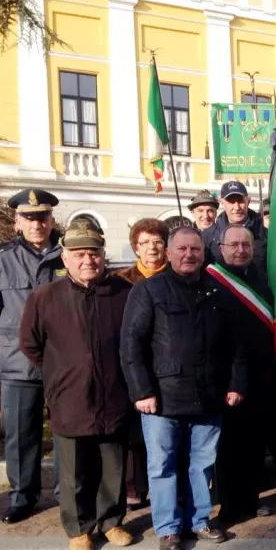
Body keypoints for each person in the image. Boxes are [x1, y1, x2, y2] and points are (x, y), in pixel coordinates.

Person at [121, 226, 247, 550]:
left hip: (209, 396)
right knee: (162, 465)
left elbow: (236, 346)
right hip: (162, 398)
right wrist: (141, 391)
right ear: (169, 252)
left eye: (194, 249)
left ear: (204, 253)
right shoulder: (148, 291)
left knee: (202, 463)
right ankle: (168, 528)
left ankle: (199, 520)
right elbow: (131, 345)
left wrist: (236, 384)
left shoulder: (219, 293)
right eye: (182, 249)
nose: (188, 254)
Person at [19, 221, 133, 550]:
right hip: (70, 396)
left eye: (94, 253)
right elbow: (30, 344)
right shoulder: (45, 297)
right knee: (73, 470)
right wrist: (59, 373)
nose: (88, 260)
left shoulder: (123, 293)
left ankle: (111, 521)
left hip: (114, 393)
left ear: (103, 256)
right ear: (65, 259)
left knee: (113, 464)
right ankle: (79, 528)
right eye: (79, 254)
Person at [0, 188, 64, 524]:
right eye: (28, 218)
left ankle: (65, 494)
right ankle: (22, 497)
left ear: (51, 220)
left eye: (42, 217)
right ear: (16, 222)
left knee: (66, 431)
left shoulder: (68, 254)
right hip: (17, 361)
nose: (36, 223)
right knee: (19, 433)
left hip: (63, 360)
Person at [210, 224, 276, 522]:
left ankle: (251, 499)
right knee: (229, 447)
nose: (240, 250)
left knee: (255, 443)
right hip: (227, 378)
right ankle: (230, 506)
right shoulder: (212, 279)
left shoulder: (262, 280)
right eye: (234, 245)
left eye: (246, 245)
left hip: (262, 376)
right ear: (222, 247)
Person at [113, 218, 170, 508]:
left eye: (158, 242)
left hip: (169, 364)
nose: (152, 248)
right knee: (135, 429)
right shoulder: (121, 281)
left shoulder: (177, 275)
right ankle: (136, 486)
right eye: (145, 242)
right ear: (136, 247)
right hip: (135, 363)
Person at [202, 181, 267, 272]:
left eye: (240, 201)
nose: (237, 207)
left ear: (248, 201)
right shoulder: (208, 236)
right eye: (231, 202)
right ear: (222, 203)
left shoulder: (266, 235)